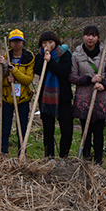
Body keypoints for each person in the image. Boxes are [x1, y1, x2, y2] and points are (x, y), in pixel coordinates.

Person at [70, 25, 106, 166]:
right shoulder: (77, 54)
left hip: (100, 98)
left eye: (94, 35)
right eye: (88, 35)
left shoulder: (105, 53)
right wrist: (89, 79)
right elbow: (72, 76)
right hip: (84, 98)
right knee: (86, 130)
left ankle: (98, 162)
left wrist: (104, 84)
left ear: (97, 38)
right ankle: (86, 159)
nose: (90, 38)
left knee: (99, 131)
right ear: (83, 36)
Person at [34, 31, 74, 159]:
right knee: (48, 130)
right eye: (44, 43)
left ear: (56, 43)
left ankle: (64, 157)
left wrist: (50, 62)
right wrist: (44, 58)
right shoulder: (40, 55)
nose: (47, 45)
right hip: (46, 99)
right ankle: (49, 157)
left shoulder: (65, 54)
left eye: (50, 42)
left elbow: (64, 72)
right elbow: (38, 70)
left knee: (67, 130)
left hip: (63, 98)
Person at [0, 29, 34, 156]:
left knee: (22, 129)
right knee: (5, 128)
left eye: (18, 41)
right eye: (13, 41)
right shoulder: (4, 57)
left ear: (22, 41)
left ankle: (21, 155)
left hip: (23, 99)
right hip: (7, 98)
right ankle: (4, 154)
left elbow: (28, 80)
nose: (16, 43)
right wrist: (8, 80)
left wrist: (15, 72)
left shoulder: (29, 57)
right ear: (10, 42)